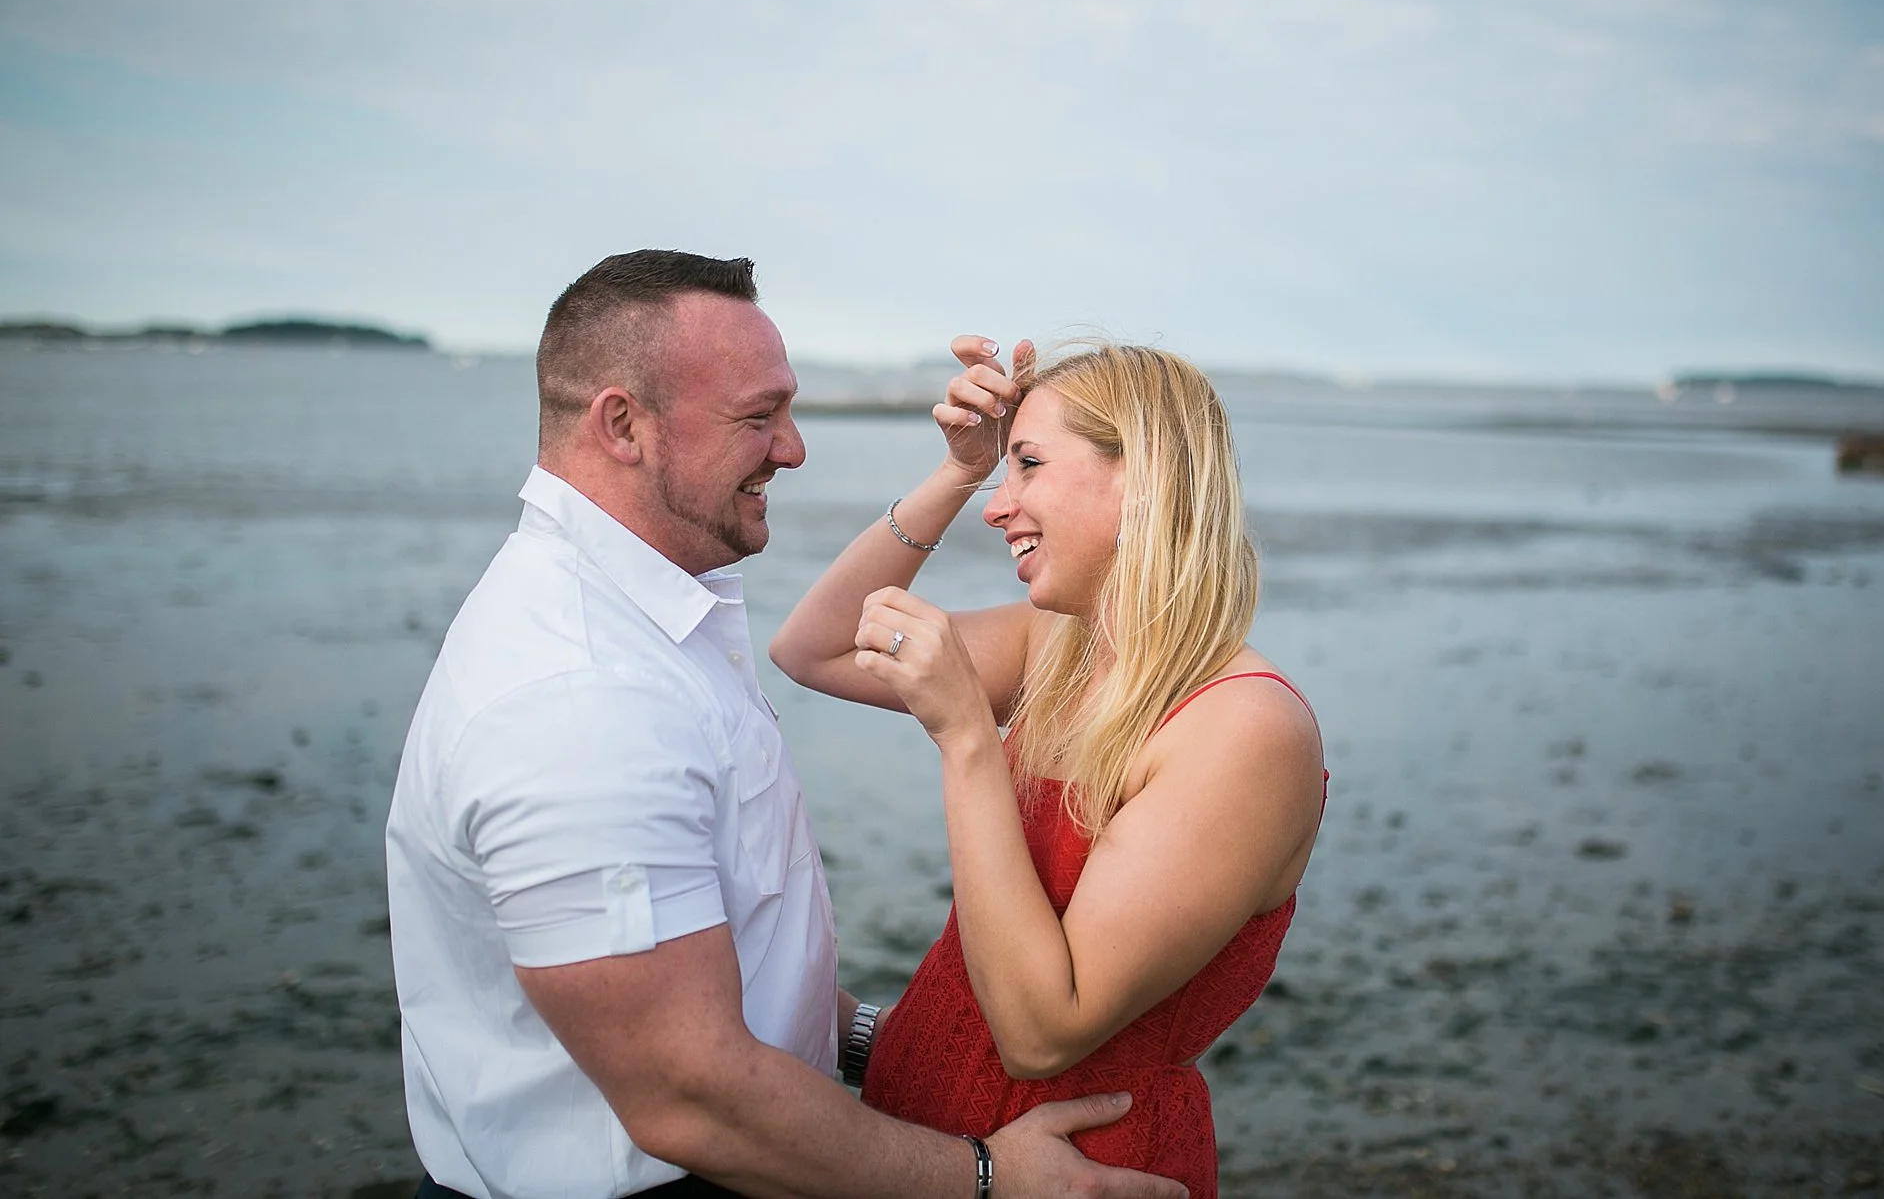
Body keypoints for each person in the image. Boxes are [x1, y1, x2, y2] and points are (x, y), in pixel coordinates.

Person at [384, 252, 1188, 1199]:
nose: (796, 449)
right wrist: (981, 1178)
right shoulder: (579, 700)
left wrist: (860, 1038)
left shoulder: (655, 607)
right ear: (622, 424)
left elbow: (726, 948)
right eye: (758, 417)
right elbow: (689, 1095)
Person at [768, 336, 1326, 1199]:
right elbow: (815, 647)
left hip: (1079, 1173)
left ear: (1143, 474)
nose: (1001, 506)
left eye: (1028, 465)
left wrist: (966, 739)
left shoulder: (1242, 728)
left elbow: (1041, 1032)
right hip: (935, 1152)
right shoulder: (1058, 647)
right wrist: (959, 471)